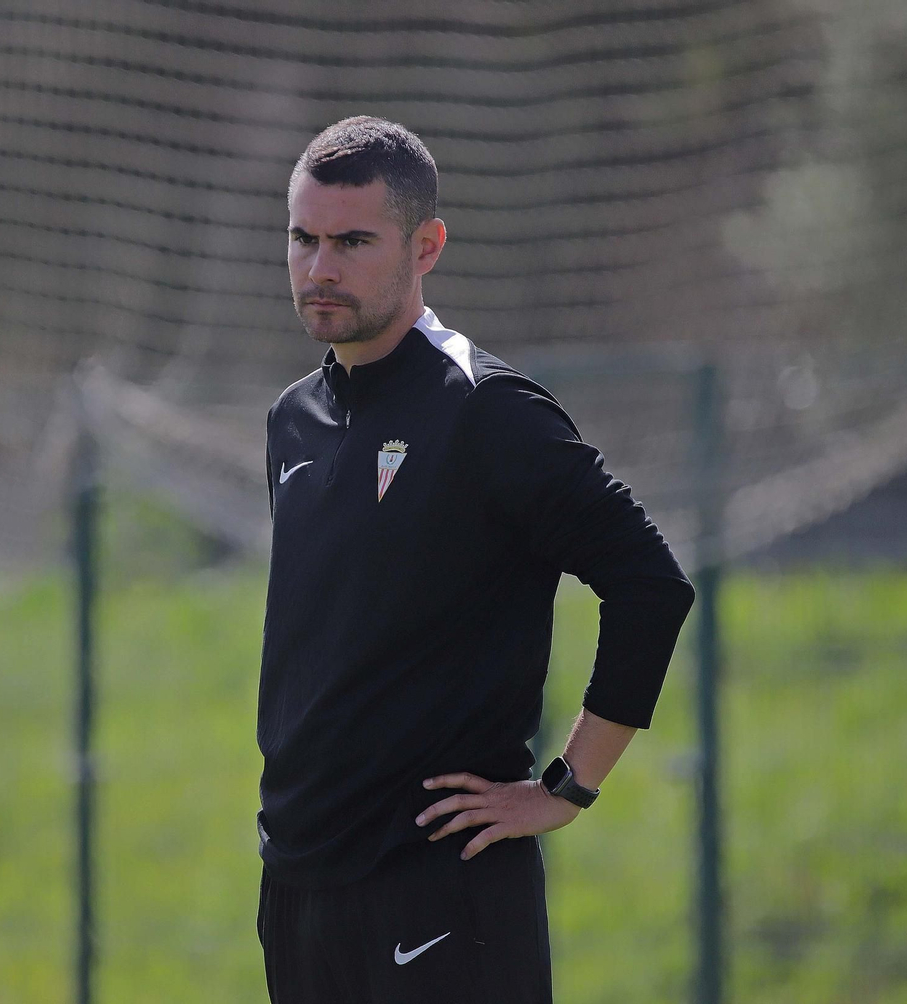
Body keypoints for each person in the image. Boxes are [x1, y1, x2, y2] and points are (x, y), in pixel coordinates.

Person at [256, 116, 695, 1004]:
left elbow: (651, 584)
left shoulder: (486, 410)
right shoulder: (292, 419)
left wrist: (566, 787)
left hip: (440, 886)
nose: (320, 267)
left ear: (427, 247)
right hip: (298, 886)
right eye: (303, 238)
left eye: (352, 241)